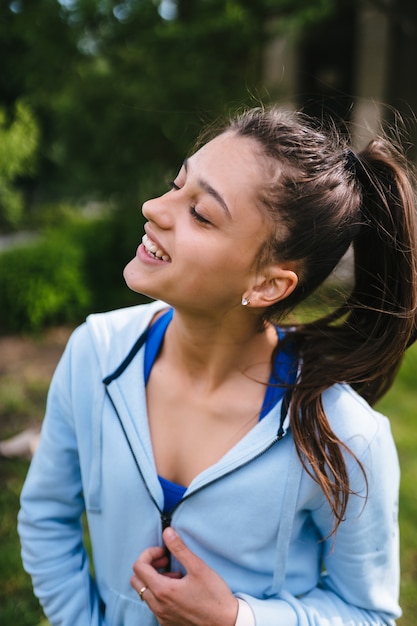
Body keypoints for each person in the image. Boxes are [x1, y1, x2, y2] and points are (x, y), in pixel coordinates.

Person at [18, 106, 417, 626]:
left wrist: (236, 618)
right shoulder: (95, 352)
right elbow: (46, 518)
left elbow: (369, 613)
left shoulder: (345, 434)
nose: (155, 208)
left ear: (268, 285)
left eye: (201, 214)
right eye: (175, 184)